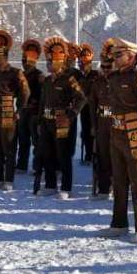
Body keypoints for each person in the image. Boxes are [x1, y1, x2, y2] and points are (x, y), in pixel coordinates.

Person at [99, 38, 137, 243]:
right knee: (119, 181)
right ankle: (119, 224)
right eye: (114, 55)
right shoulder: (114, 77)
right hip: (116, 132)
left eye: (119, 55)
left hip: (134, 132)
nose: (114, 59)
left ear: (131, 56)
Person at [37, 37, 88, 199]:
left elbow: (81, 98)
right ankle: (50, 185)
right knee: (48, 153)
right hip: (46, 121)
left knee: (63, 155)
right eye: (49, 60)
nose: (50, 63)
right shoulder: (46, 81)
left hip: (62, 121)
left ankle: (66, 188)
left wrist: (71, 115)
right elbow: (42, 102)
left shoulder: (69, 79)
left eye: (54, 60)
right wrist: (39, 121)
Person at [0, 29, 30, 191]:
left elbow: (25, 93)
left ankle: (8, 179)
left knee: (8, 148)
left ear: (5, 56)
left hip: (7, 112)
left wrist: (19, 111)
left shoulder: (15, 73)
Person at [88, 41, 116, 199]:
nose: (105, 70)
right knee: (103, 156)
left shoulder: (119, 80)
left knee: (117, 157)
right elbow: (92, 105)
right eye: (103, 67)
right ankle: (104, 188)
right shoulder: (97, 82)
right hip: (102, 122)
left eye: (109, 67)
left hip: (116, 121)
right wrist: (93, 125)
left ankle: (118, 186)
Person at [16, 39, 44, 175]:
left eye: (27, 59)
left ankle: (37, 166)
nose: (24, 62)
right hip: (22, 111)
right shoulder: (20, 75)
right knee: (22, 139)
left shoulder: (39, 75)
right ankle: (21, 165)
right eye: (23, 59)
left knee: (36, 141)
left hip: (33, 112)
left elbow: (41, 95)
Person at [77, 43, 100, 166]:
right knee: (85, 131)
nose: (84, 61)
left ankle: (95, 154)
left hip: (95, 107)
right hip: (84, 107)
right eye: (82, 57)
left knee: (95, 130)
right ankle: (88, 154)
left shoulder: (96, 75)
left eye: (86, 57)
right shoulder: (79, 76)